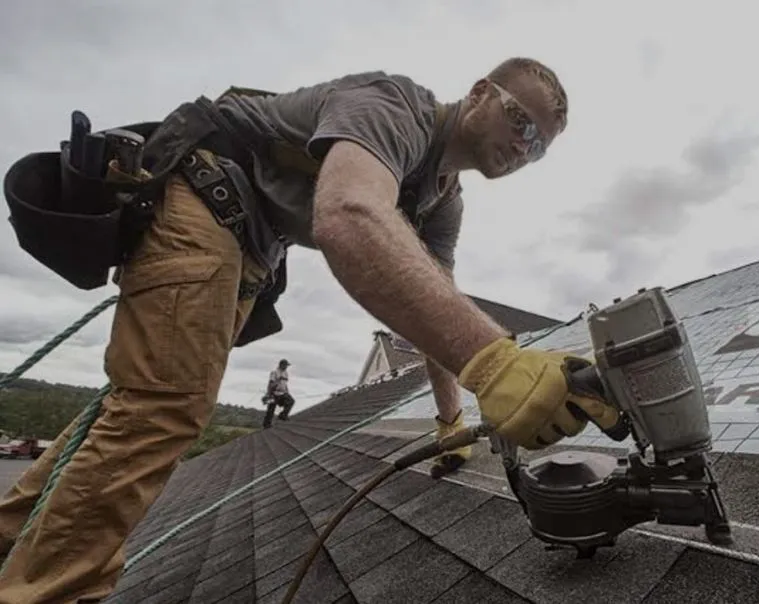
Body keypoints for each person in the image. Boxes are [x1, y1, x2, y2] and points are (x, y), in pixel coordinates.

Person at [0, 57, 622, 603]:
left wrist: (451, 421)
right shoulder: (392, 105)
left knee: (141, 406)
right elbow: (349, 214)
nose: (524, 147)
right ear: (481, 92)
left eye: (540, 146)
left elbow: (438, 303)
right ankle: (48, 591)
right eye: (520, 121)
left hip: (249, 247)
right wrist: (498, 362)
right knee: (160, 408)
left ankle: (12, 538)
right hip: (204, 195)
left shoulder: (444, 200)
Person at [262, 358, 295, 428]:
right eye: (285, 365)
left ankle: (283, 415)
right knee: (271, 409)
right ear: (281, 365)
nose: (286, 367)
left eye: (287, 365)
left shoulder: (286, 373)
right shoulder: (274, 372)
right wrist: (268, 394)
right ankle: (266, 424)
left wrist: (287, 392)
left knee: (291, 401)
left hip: (283, 393)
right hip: (274, 393)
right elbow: (271, 383)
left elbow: (285, 384)